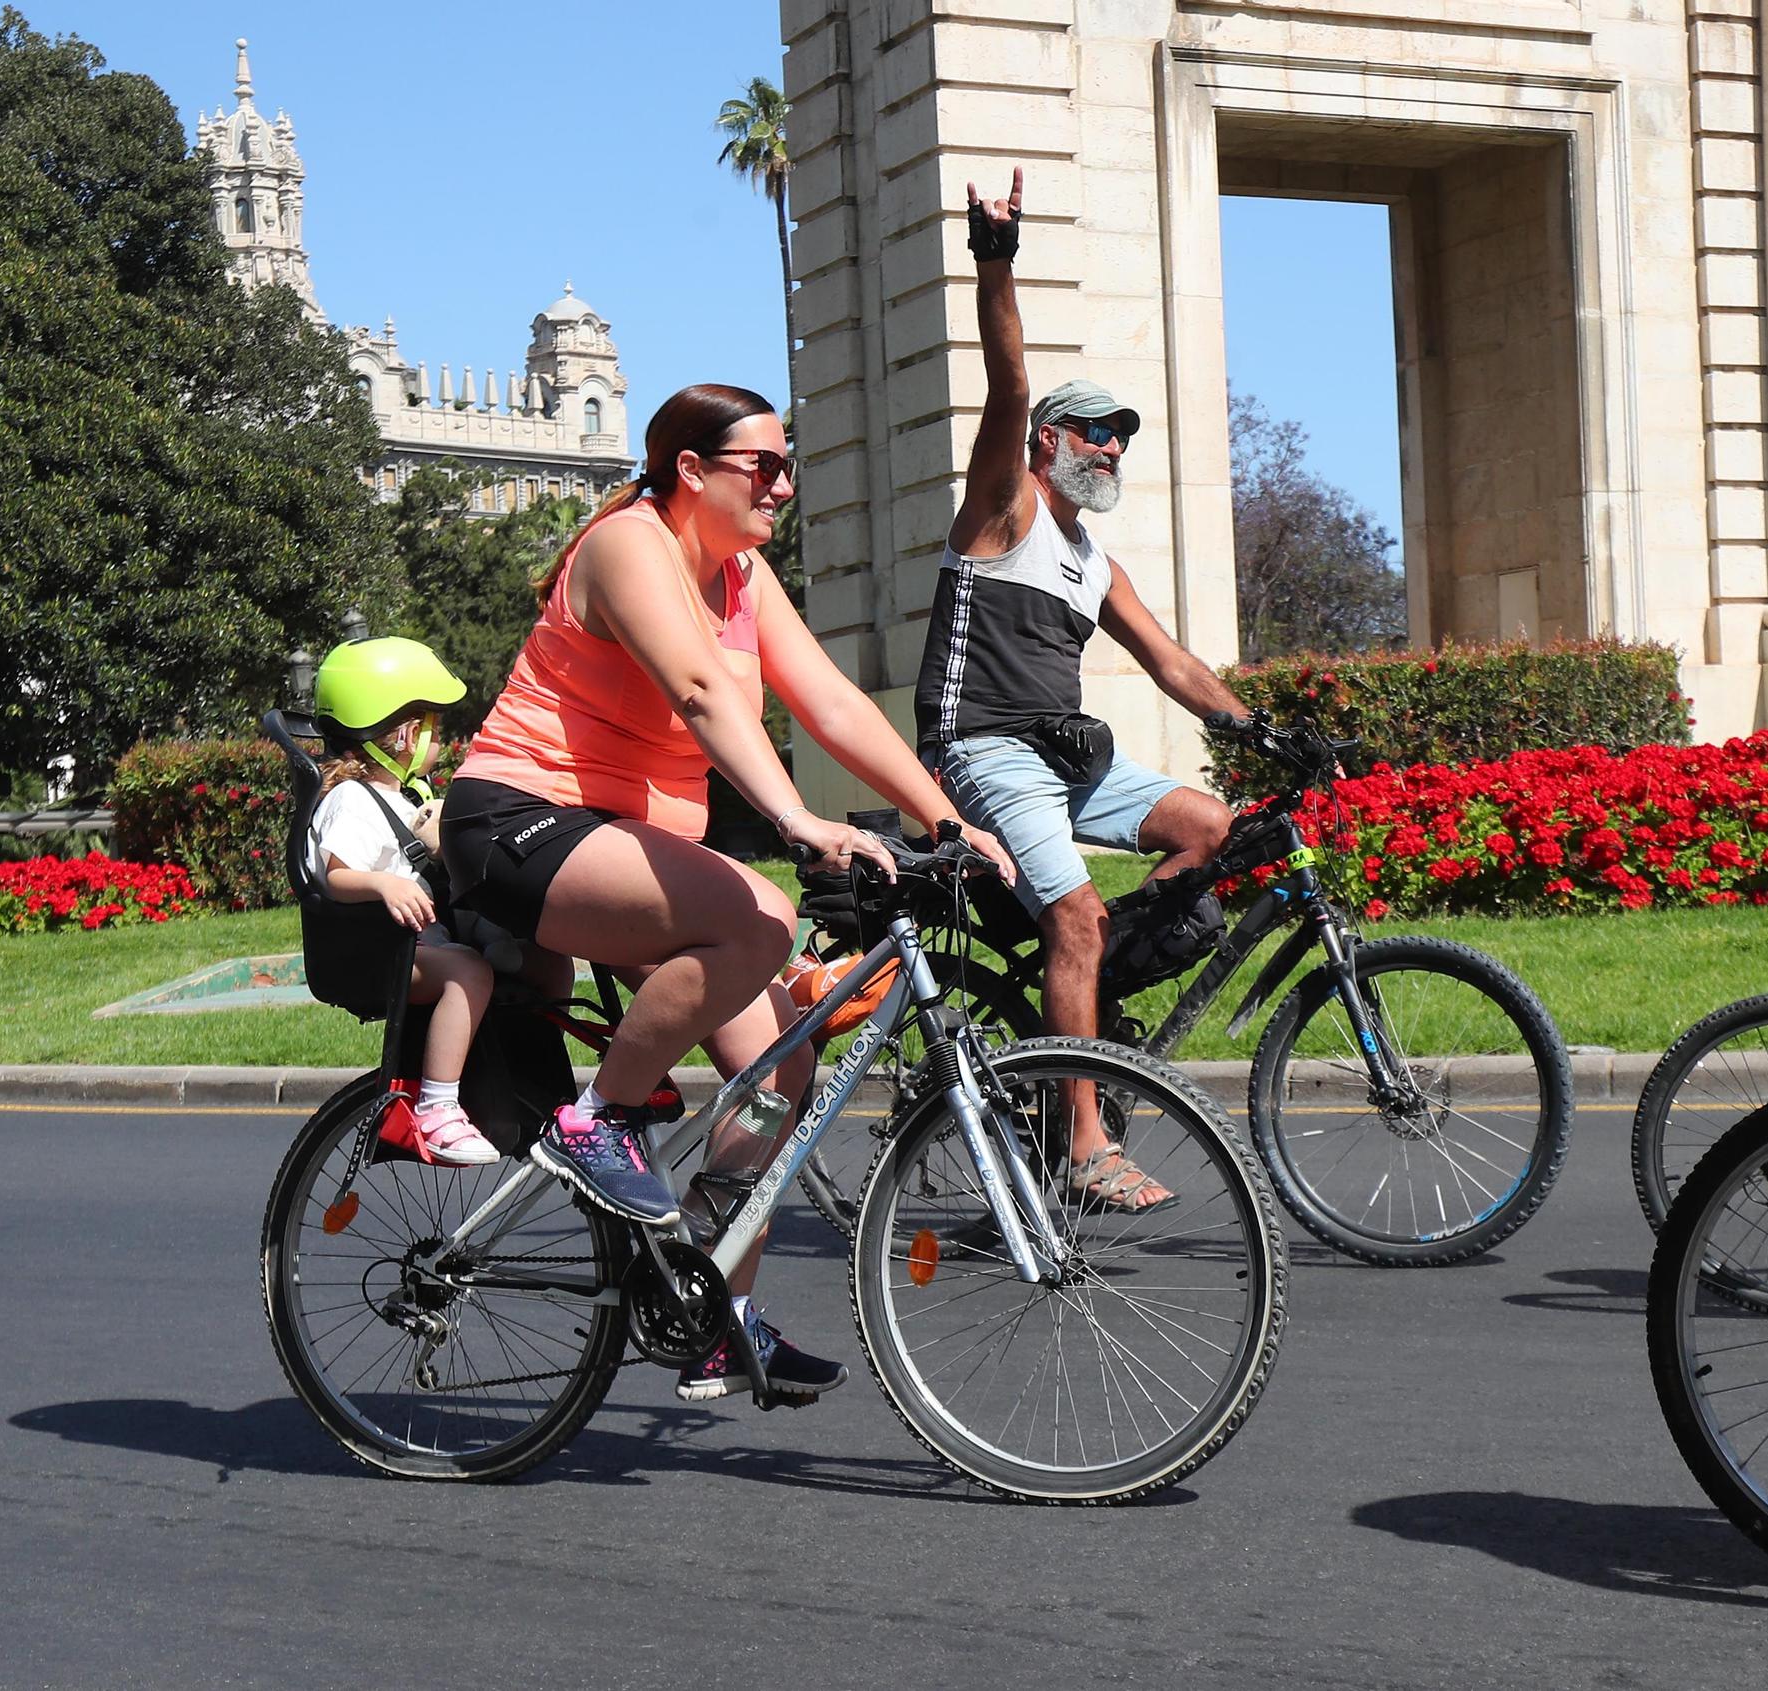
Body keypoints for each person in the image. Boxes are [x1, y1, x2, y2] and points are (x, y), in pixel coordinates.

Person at [443, 382, 1014, 1404]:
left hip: (627, 849)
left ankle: (712, 1312)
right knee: (758, 911)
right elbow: (699, 692)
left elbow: (830, 699)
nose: (783, 484)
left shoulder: (742, 575)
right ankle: (599, 1121)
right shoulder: (627, 544)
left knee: (778, 1072)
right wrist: (798, 821)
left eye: (788, 465)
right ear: (689, 471)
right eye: (763, 465)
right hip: (521, 823)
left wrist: (944, 818)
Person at [912, 168, 1249, 1215]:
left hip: (1065, 752)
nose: (1109, 446)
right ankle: (1082, 1141)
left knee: (1213, 828)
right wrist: (994, 259)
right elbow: (1007, 379)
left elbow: (1173, 665)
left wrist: (1260, 729)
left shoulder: (1091, 561)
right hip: (981, 746)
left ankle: (1084, 997)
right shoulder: (1002, 510)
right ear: (1048, 444)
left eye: (1119, 435)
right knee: (1073, 911)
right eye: (1093, 431)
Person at [309, 637, 499, 1168]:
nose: (440, 737)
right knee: (470, 975)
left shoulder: (401, 796)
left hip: (411, 944)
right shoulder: (353, 800)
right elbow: (336, 876)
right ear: (405, 734)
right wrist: (384, 885)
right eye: (435, 726)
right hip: (383, 955)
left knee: (513, 949)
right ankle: (439, 1109)